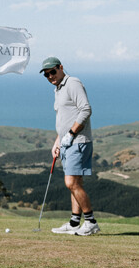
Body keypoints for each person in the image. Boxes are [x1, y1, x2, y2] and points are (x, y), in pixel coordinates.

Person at [39, 57, 100, 236]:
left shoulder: (72, 83)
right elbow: (64, 119)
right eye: (47, 74)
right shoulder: (57, 89)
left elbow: (86, 110)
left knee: (71, 183)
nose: (50, 76)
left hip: (78, 141)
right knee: (75, 183)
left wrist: (71, 134)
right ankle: (74, 222)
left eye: (53, 71)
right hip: (67, 142)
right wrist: (58, 141)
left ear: (61, 68)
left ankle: (90, 222)